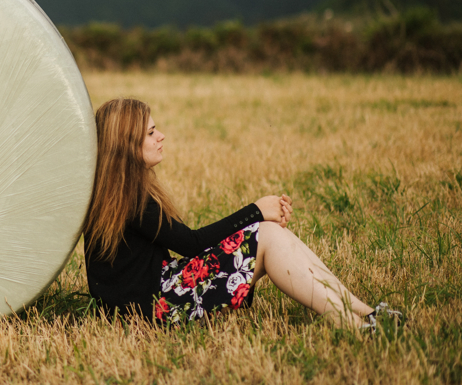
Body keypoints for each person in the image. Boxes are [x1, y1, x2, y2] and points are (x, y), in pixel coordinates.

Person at [83, 97, 402, 331]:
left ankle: (365, 313)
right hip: (157, 311)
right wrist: (255, 211)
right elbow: (192, 244)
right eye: (151, 133)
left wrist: (259, 217)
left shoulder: (120, 192)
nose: (161, 136)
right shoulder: (130, 200)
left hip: (160, 294)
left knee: (270, 233)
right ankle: (356, 326)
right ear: (126, 145)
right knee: (266, 233)